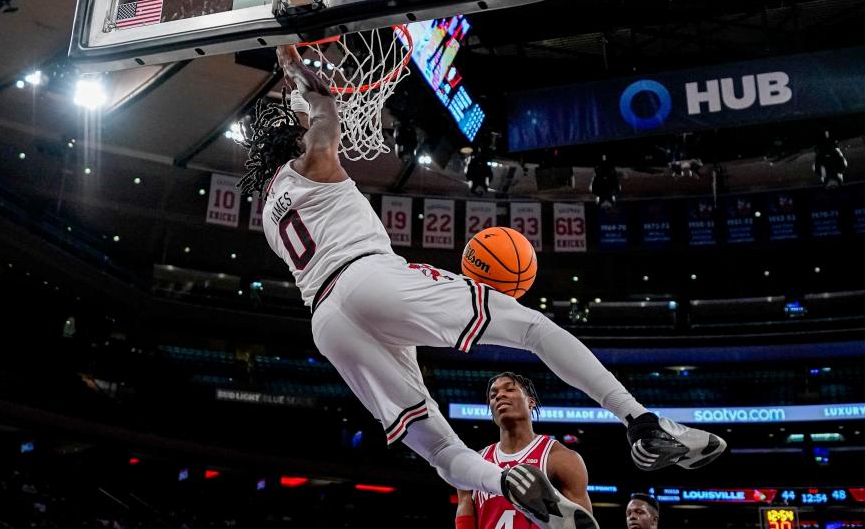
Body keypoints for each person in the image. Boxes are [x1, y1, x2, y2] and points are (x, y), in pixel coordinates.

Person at [238, 46, 726, 527]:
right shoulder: (314, 164)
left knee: (435, 444)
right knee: (531, 328)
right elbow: (324, 115)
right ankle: (641, 422)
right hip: (368, 276)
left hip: (327, 323)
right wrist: (300, 77)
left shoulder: (268, 213)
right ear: (296, 143)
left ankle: (504, 483)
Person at [454, 372, 599, 529]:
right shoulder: (475, 463)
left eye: (509, 390)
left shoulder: (560, 458)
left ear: (531, 402)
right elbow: (464, 514)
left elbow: (583, 524)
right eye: (493, 394)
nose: (499, 395)